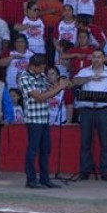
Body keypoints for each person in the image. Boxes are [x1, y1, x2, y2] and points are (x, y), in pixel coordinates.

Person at [18, 53, 70, 189]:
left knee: (45, 150)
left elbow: (52, 90)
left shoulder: (40, 76)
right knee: (33, 150)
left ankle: (44, 178)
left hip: (44, 118)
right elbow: (40, 97)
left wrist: (61, 84)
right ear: (32, 66)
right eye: (40, 68)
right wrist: (60, 87)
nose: (42, 71)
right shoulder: (24, 77)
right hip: (33, 118)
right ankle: (31, 179)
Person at [72, 49, 107, 183]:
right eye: (94, 57)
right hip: (86, 110)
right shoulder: (84, 71)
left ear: (103, 58)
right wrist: (90, 78)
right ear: (91, 58)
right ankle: (84, 172)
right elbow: (74, 81)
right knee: (85, 143)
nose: (96, 59)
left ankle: (105, 173)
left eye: (99, 57)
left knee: (105, 143)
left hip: (103, 111)